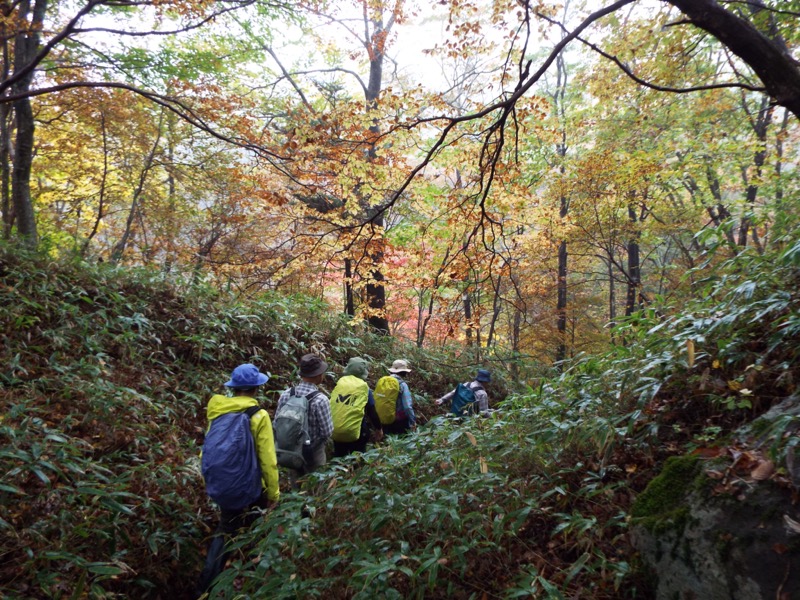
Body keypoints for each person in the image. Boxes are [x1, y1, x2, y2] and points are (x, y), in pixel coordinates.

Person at [196, 363, 279, 596]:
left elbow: (207, 451)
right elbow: (268, 460)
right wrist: (273, 494)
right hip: (253, 489)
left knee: (224, 531)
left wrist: (212, 482)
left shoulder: (218, 411)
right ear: (256, 388)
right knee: (256, 533)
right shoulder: (258, 415)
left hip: (223, 484)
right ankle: (252, 584)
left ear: (233, 388)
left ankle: (206, 586)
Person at [275, 354, 333, 487]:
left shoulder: (286, 394)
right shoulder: (321, 399)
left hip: (292, 451)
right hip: (314, 452)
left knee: (297, 486)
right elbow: (327, 432)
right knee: (316, 487)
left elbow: (276, 424)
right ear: (319, 375)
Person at [329, 357, 383, 457]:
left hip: (335, 431)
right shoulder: (363, 387)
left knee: (339, 458)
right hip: (356, 433)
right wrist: (379, 429)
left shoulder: (341, 383)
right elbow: (371, 411)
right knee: (357, 460)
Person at [381, 359, 416, 435]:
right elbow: (407, 406)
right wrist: (412, 421)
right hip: (399, 421)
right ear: (404, 372)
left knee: (388, 443)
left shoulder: (383, 382)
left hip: (384, 418)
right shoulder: (402, 385)